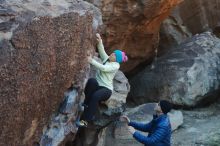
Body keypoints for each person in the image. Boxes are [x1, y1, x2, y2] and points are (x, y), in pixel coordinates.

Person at [77, 33, 128, 127]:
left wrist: (91, 60)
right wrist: (99, 41)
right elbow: (102, 51)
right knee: (92, 81)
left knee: (96, 96)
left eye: (114, 55)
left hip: (106, 90)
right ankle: (85, 104)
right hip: (98, 85)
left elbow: (104, 69)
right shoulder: (108, 59)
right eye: (113, 53)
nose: (112, 55)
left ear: (117, 60)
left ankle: (85, 121)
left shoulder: (115, 66)